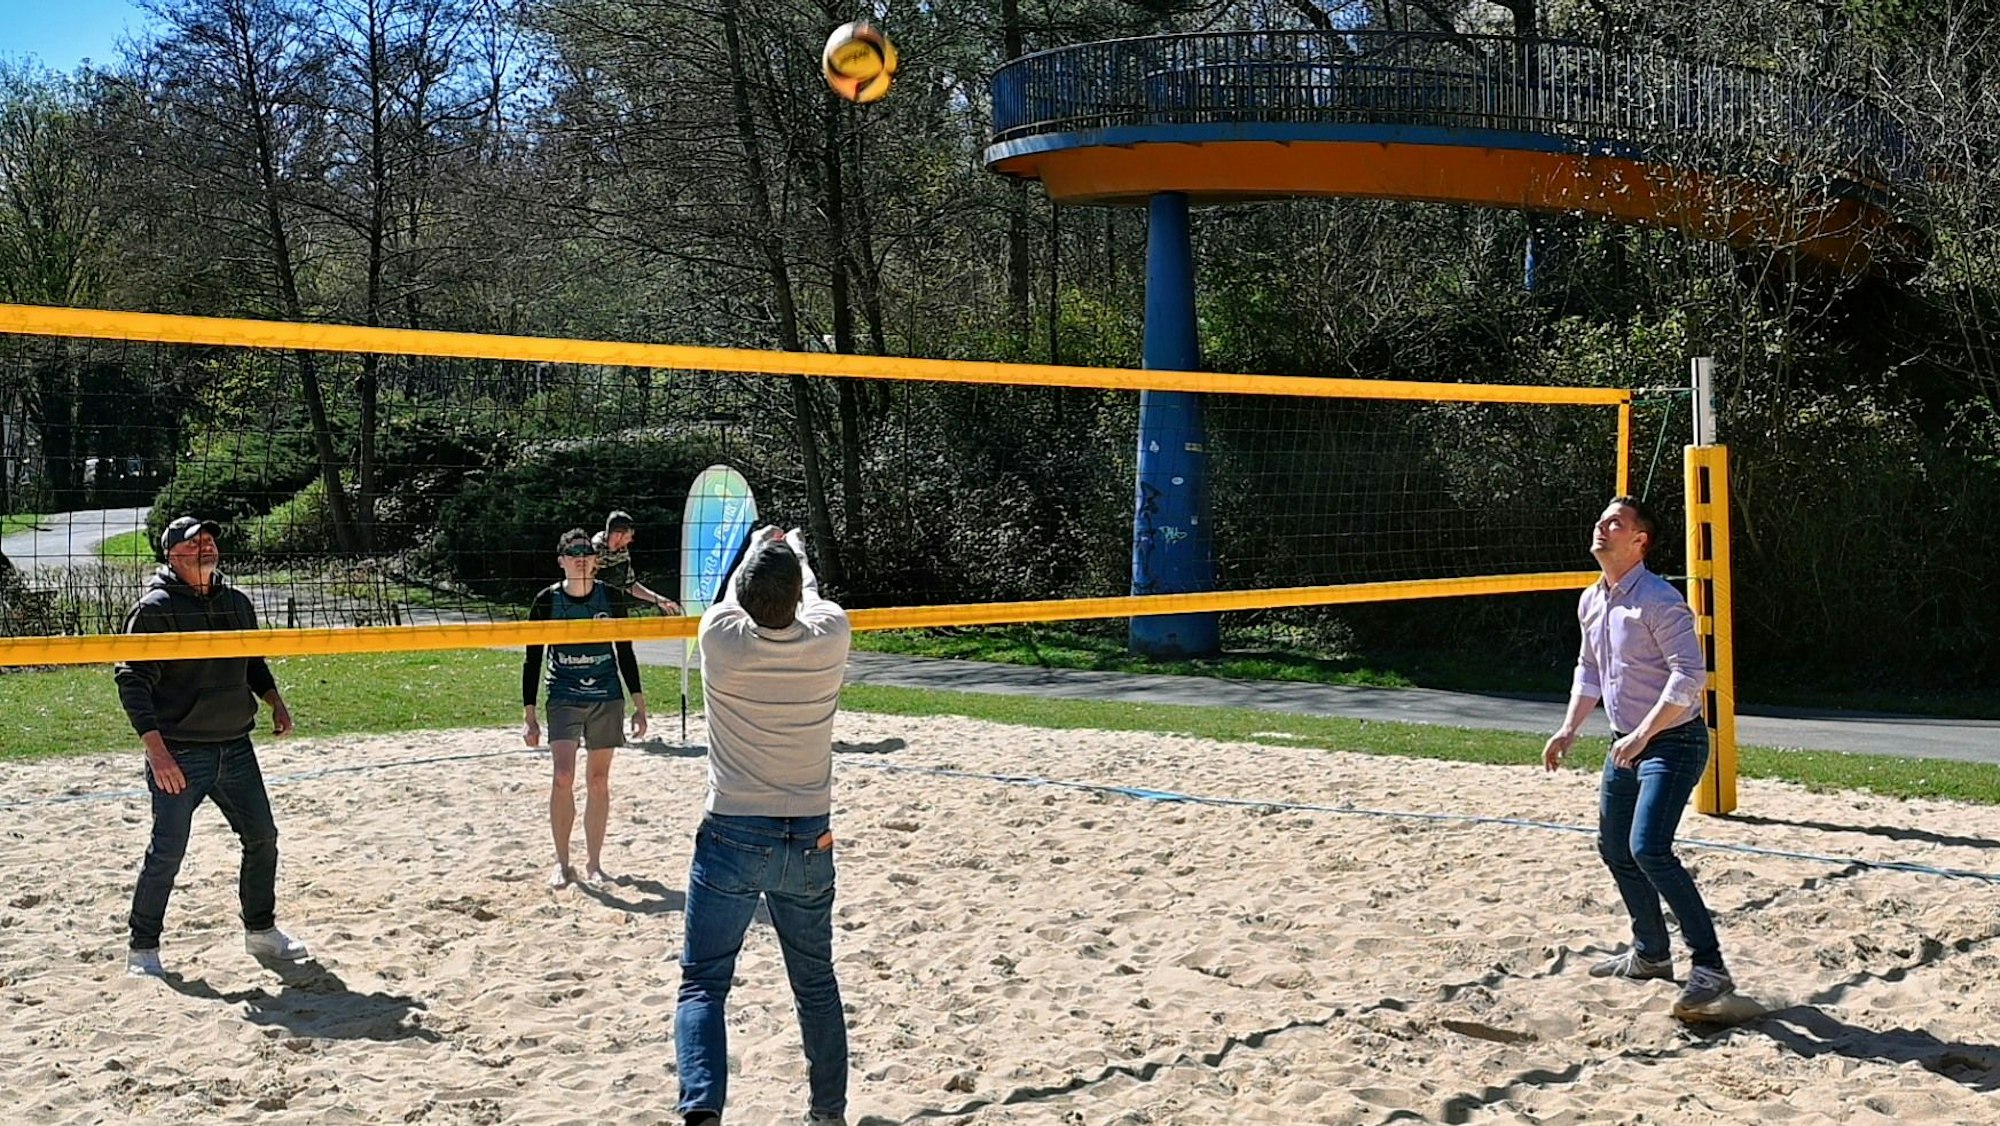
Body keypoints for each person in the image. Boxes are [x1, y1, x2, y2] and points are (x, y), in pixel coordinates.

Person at [677, 526, 852, 1126]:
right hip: (809, 834)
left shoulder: (720, 638)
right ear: (797, 594)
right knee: (815, 983)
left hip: (733, 828)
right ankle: (828, 1114)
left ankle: (703, 1109)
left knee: (704, 984)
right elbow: (812, 591)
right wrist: (794, 548)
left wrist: (755, 545)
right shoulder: (831, 634)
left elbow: (733, 593)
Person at [1543, 496, 1734, 1016]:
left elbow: (1689, 677)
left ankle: (1710, 967)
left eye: (1615, 523)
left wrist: (1644, 734)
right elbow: (1589, 670)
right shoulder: (1592, 600)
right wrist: (1568, 729)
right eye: (1601, 519)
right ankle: (1651, 954)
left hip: (1673, 740)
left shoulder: (1658, 598)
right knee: (1615, 848)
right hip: (1625, 741)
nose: (1601, 527)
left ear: (1639, 540)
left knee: (1648, 848)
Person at [115, 515, 307, 977]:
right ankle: (143, 948)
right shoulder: (154, 610)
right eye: (193, 542)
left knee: (263, 838)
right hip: (180, 753)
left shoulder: (236, 602)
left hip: (236, 746)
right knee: (168, 851)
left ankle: (260, 931)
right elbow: (132, 682)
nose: (205, 547)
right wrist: (157, 752)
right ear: (171, 555)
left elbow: (252, 661)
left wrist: (275, 702)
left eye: (208, 540)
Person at [523, 528, 648, 888]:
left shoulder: (611, 597)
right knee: (563, 776)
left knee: (598, 780)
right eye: (573, 553)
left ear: (595, 561)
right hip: (563, 693)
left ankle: (594, 864)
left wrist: (639, 706)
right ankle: (563, 864)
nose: (581, 558)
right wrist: (530, 716)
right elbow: (533, 659)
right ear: (561, 561)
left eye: (586, 553)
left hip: (606, 694)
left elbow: (625, 652)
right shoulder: (547, 601)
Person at [593, 510, 681, 613]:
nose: (631, 540)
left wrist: (660, 600)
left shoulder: (622, 552)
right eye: (628, 537)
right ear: (618, 536)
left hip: (615, 608)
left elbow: (630, 585)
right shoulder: (592, 551)